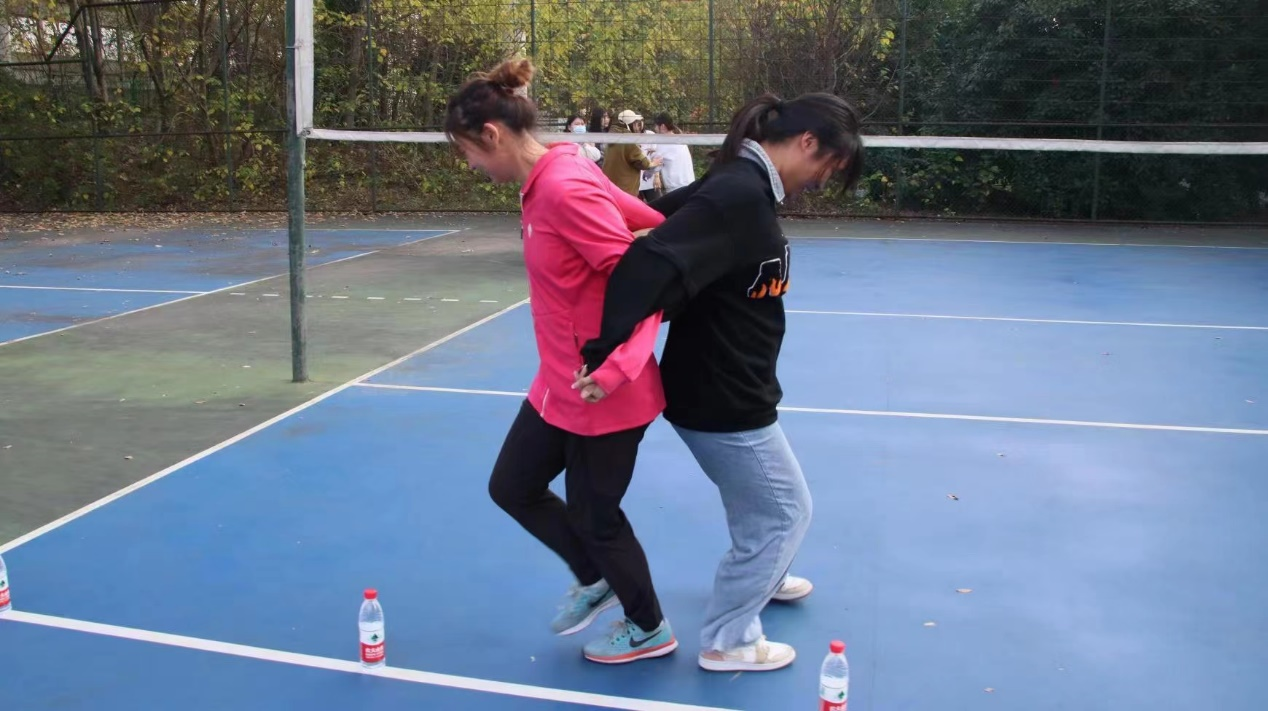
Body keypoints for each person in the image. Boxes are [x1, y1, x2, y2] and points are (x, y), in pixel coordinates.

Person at [574, 92, 865, 672]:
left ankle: (764, 575)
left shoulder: (741, 184)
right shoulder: (738, 194)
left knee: (759, 501)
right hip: (721, 393)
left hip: (731, 383)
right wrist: (604, 351)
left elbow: (660, 217)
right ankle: (730, 640)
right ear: (807, 142)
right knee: (784, 512)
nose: (822, 180)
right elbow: (649, 261)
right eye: (828, 166)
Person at [444, 58, 677, 664]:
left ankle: (649, 628)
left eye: (467, 152)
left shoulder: (563, 187)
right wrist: (667, 229)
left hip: (605, 390)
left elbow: (642, 281)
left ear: (492, 135)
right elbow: (647, 220)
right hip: (557, 383)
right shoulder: (559, 169)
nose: (469, 165)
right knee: (513, 486)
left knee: (597, 519)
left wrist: (616, 368)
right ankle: (597, 578)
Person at [602, 109, 661, 196]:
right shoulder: (628, 141)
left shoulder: (611, 139)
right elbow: (643, 163)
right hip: (625, 190)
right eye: (635, 123)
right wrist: (653, 163)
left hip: (611, 187)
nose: (637, 126)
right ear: (630, 124)